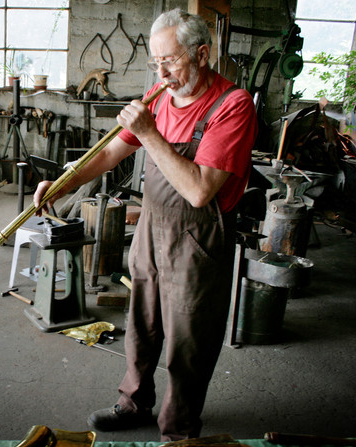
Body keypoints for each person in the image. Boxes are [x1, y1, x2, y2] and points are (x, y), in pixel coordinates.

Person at [33, 8, 258, 441]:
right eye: (155, 63)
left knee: (188, 339)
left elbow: (198, 191)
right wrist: (61, 184)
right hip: (153, 230)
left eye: (170, 61)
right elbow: (106, 154)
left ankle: (179, 429)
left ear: (202, 54)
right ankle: (134, 403)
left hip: (198, 239)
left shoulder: (233, 106)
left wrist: (150, 133)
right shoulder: (160, 93)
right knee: (142, 323)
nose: (161, 72)